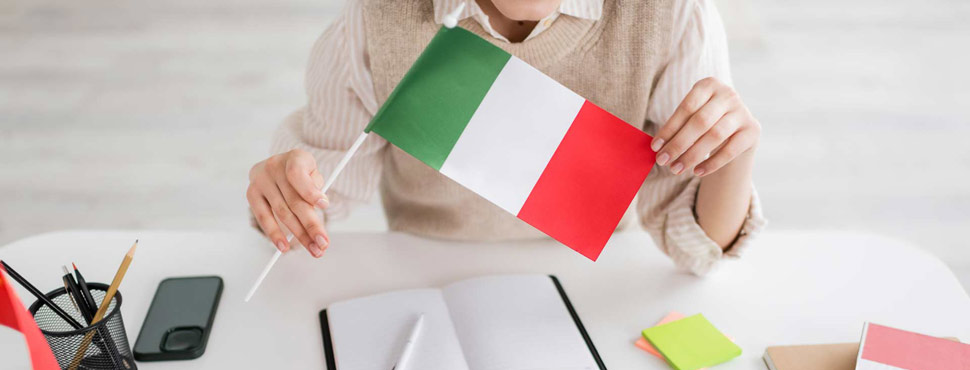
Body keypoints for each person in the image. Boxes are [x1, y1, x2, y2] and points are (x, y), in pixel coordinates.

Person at [246, 0, 766, 274]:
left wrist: (735, 156)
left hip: (594, 276)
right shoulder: (378, 18)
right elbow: (320, 201)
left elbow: (695, 248)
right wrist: (286, 195)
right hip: (425, 267)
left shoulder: (671, 13)